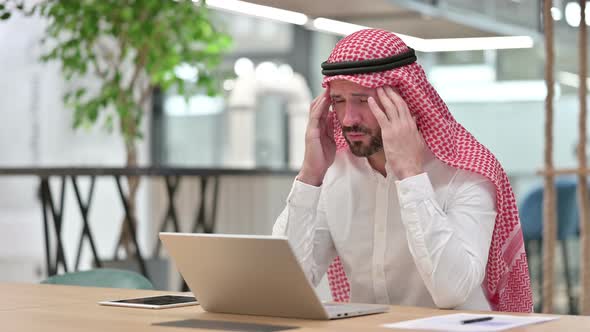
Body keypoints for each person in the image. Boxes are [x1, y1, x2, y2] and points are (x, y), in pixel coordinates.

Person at [272, 28, 533, 312]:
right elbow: (287, 284)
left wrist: (411, 176)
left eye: (362, 100)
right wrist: (310, 176)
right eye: (339, 101)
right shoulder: (336, 171)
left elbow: (451, 292)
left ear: (404, 100)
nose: (348, 119)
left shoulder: (467, 173)